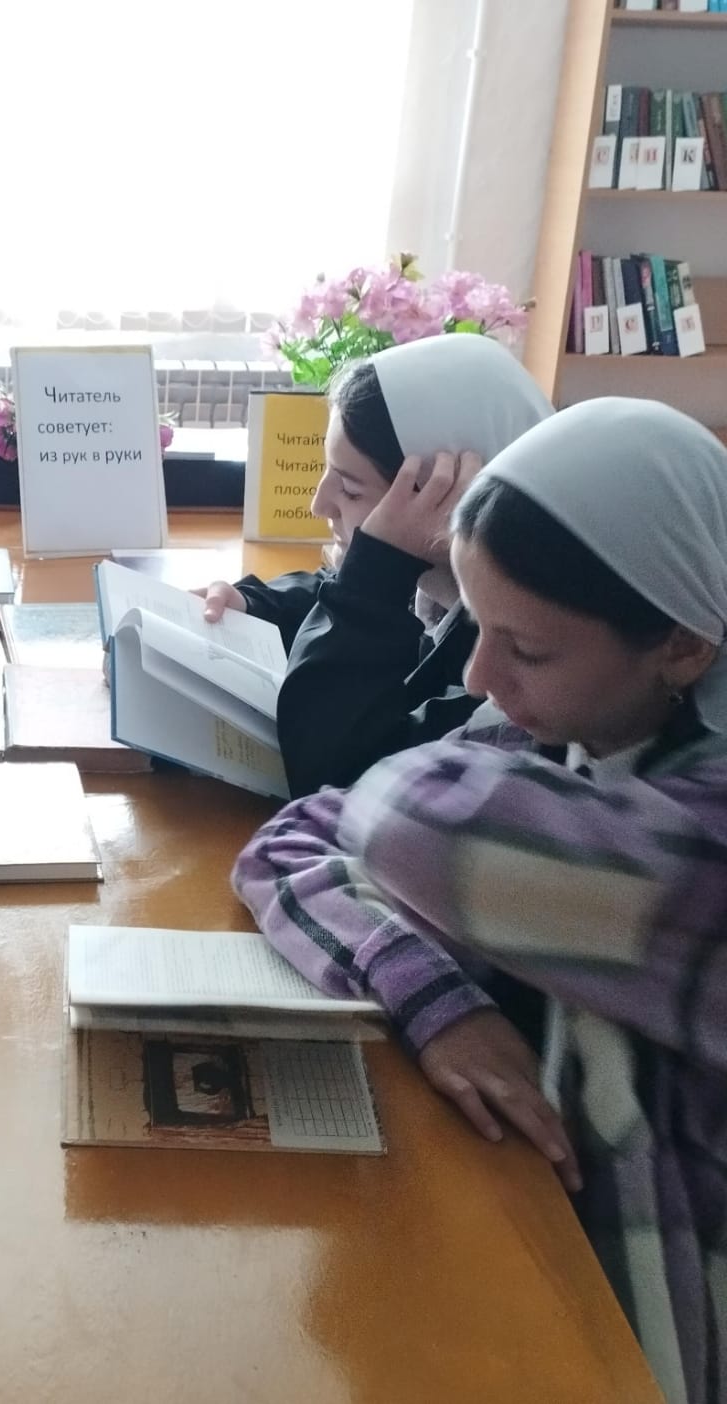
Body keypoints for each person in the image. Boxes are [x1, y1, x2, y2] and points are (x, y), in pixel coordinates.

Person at [232, 398, 727, 1404]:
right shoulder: (574, 725)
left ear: (682, 644)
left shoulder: (698, 840)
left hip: (649, 1340)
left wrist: (378, 837)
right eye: (474, 625)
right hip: (542, 1244)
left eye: (524, 649)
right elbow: (289, 838)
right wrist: (436, 1002)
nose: (478, 676)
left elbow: (405, 814)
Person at [200, 333, 551, 796]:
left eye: (349, 489)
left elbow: (333, 771)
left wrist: (377, 568)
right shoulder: (435, 586)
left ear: (445, 496)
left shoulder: (511, 671)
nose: (319, 504)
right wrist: (254, 605)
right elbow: (338, 591)